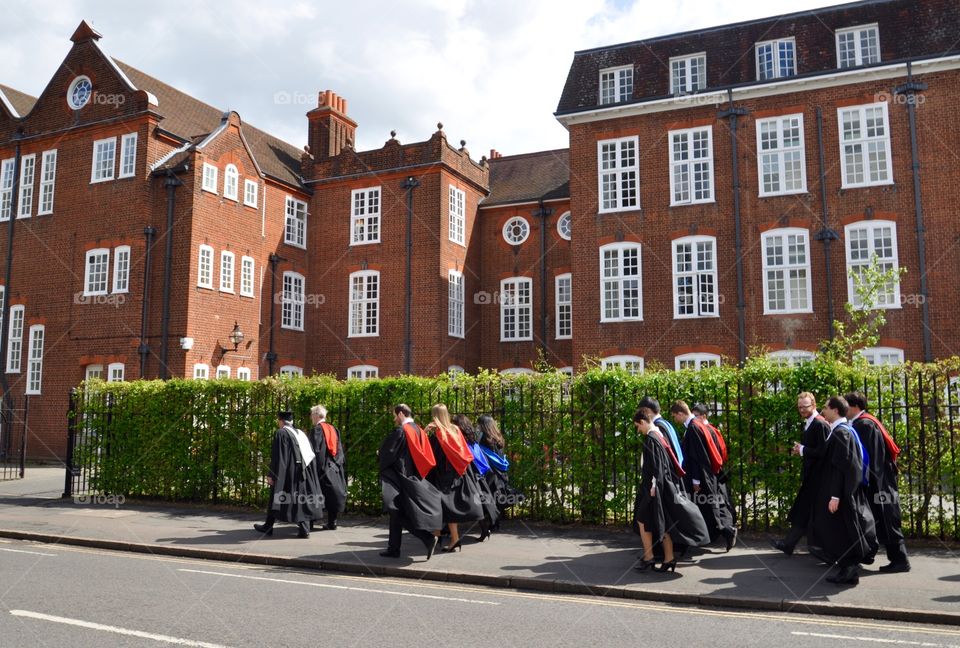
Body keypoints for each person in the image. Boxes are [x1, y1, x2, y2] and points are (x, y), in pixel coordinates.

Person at [808, 396, 878, 585]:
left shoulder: (841, 433)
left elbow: (842, 466)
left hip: (839, 493)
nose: (823, 411)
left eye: (825, 408)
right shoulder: (843, 430)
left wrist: (835, 496)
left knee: (838, 531)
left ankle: (849, 569)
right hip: (842, 492)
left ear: (835, 410)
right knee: (842, 530)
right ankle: (848, 570)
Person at [633, 408, 709, 572]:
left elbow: (656, 467)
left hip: (654, 489)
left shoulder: (651, 439)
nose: (638, 430)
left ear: (643, 421)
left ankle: (649, 558)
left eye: (638, 426)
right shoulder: (659, 435)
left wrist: (653, 488)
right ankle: (669, 559)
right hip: (665, 486)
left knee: (643, 521)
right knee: (664, 522)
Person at [845, 391, 910, 573]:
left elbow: (869, 457)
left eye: (846, 406)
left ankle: (900, 561)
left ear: (855, 406)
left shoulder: (864, 424)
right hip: (879, 479)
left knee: (887, 518)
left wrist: (865, 481)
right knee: (881, 519)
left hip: (878, 481)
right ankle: (888, 558)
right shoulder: (865, 421)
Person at [671, 400, 738, 551]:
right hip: (707, 475)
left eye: (675, 416)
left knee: (709, 507)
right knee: (708, 507)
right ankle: (706, 536)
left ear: (681, 413)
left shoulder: (694, 427)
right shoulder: (699, 425)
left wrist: (695, 480)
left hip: (700, 477)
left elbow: (696, 457)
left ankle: (727, 531)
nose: (675, 420)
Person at [378, 404, 442, 559]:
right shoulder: (419, 430)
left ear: (401, 414)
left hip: (401, 478)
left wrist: (379, 454)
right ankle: (394, 549)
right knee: (397, 512)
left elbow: (389, 454)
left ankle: (427, 538)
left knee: (396, 511)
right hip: (415, 477)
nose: (394, 419)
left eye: (394, 415)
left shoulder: (401, 431)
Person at [771, 392, 831, 556]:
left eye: (805, 406)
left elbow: (823, 452)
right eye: (799, 407)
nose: (802, 410)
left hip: (817, 478)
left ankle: (812, 547)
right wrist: (802, 450)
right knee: (805, 512)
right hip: (811, 476)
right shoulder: (810, 423)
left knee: (807, 512)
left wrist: (803, 449)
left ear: (814, 405)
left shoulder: (820, 424)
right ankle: (790, 544)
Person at [254, 411, 324, 538]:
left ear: (281, 421)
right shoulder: (301, 433)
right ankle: (304, 529)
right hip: (304, 470)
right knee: (300, 499)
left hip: (288, 471)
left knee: (277, 495)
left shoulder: (281, 433)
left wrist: (272, 474)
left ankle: (268, 527)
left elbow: (278, 456)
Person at [425, 404, 484, 552]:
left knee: (438, 506)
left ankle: (440, 537)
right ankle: (448, 537)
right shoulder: (455, 429)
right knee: (448, 506)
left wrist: (425, 432)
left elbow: (429, 455)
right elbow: (463, 450)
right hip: (457, 473)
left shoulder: (437, 434)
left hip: (442, 474)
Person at [454, 414, 499, 541]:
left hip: (469, 472)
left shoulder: (460, 437)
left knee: (467, 501)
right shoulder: (472, 436)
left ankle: (450, 531)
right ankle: (485, 528)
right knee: (478, 501)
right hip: (480, 471)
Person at [307, 404, 347, 532]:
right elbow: (340, 450)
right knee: (332, 496)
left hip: (322, 469)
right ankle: (332, 522)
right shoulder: (333, 428)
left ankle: (310, 523)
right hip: (334, 467)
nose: (311, 417)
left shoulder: (317, 430)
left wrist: (313, 469)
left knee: (313, 494)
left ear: (317, 415)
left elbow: (315, 451)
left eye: (312, 415)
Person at [476, 415, 518, 525]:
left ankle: (490, 521)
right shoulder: (499, 438)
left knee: (489, 496)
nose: (477, 427)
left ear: (483, 426)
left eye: (479, 424)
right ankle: (494, 520)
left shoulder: (484, 438)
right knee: (497, 496)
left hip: (491, 472)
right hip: (501, 472)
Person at [637, 396, 684, 466]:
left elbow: (661, 457)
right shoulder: (667, 423)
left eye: (641, 411)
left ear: (647, 411)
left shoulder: (657, 427)